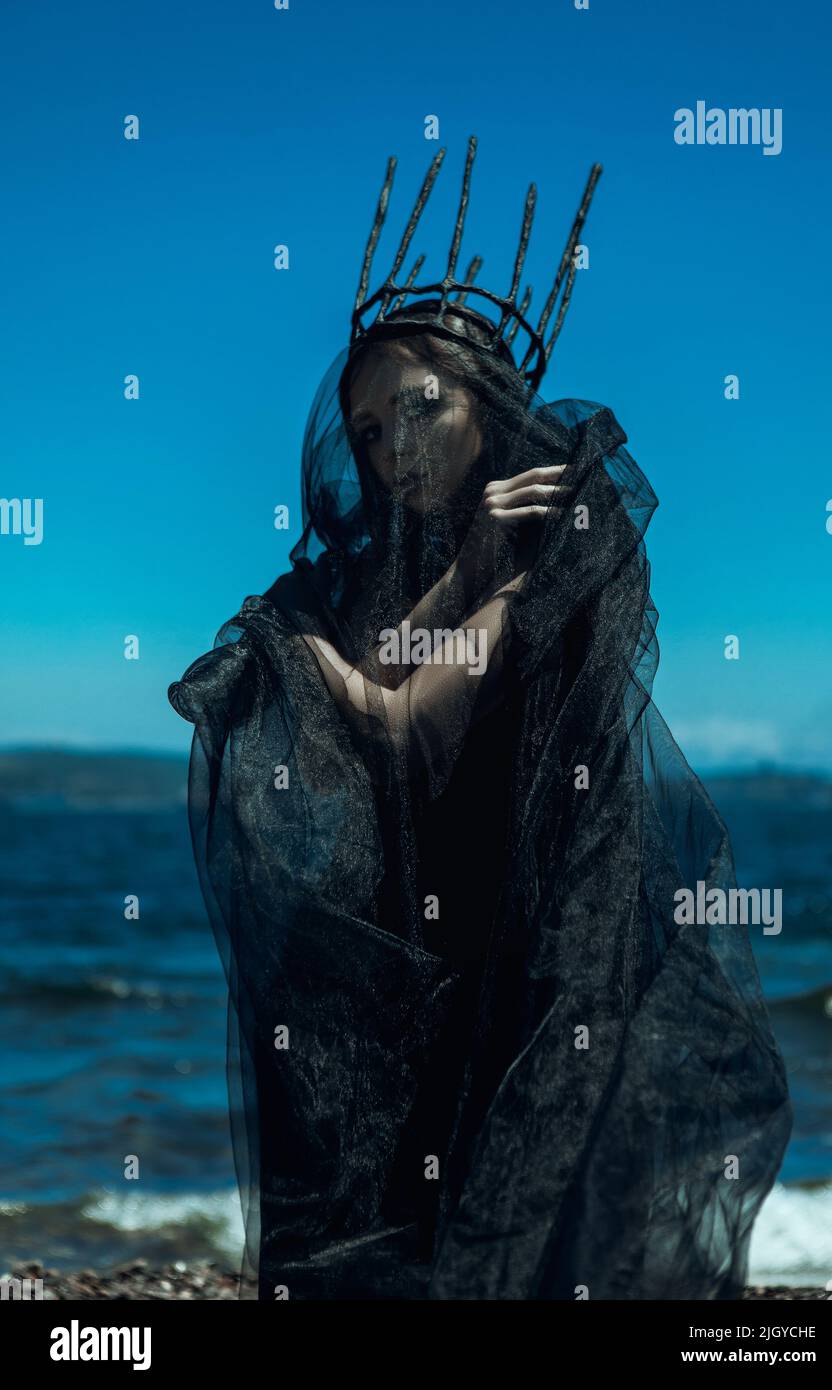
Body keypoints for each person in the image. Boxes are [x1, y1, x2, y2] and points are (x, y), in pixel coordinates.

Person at [168, 137, 792, 1300]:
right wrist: (437, 593)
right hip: (399, 941)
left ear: (484, 397)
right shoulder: (340, 581)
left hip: (548, 934)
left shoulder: (571, 508)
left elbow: (411, 713)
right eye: (365, 431)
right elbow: (358, 714)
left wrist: (491, 573)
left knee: (538, 1223)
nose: (392, 448)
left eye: (417, 408)